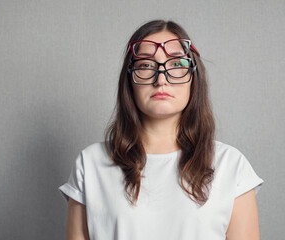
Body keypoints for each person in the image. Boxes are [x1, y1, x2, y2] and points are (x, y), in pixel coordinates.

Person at [58, 20, 264, 240]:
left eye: (176, 64)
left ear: (194, 78)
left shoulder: (231, 166)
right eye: (146, 65)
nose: (161, 79)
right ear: (129, 81)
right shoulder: (90, 164)